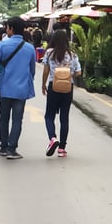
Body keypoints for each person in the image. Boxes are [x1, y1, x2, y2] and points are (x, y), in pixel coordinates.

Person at [0, 17, 36, 159]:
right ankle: (12, 149)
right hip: (21, 90)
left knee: (3, 118)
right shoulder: (29, 48)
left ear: (11, 29)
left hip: (5, 89)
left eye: (7, 27)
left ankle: (3, 147)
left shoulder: (2, 46)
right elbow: (32, 71)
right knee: (17, 120)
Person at [40, 28, 81, 158]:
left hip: (54, 86)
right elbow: (79, 72)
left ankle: (53, 138)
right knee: (64, 118)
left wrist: (43, 84)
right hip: (68, 88)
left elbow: (46, 71)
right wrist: (69, 74)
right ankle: (62, 148)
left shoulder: (49, 53)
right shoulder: (73, 55)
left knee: (49, 116)